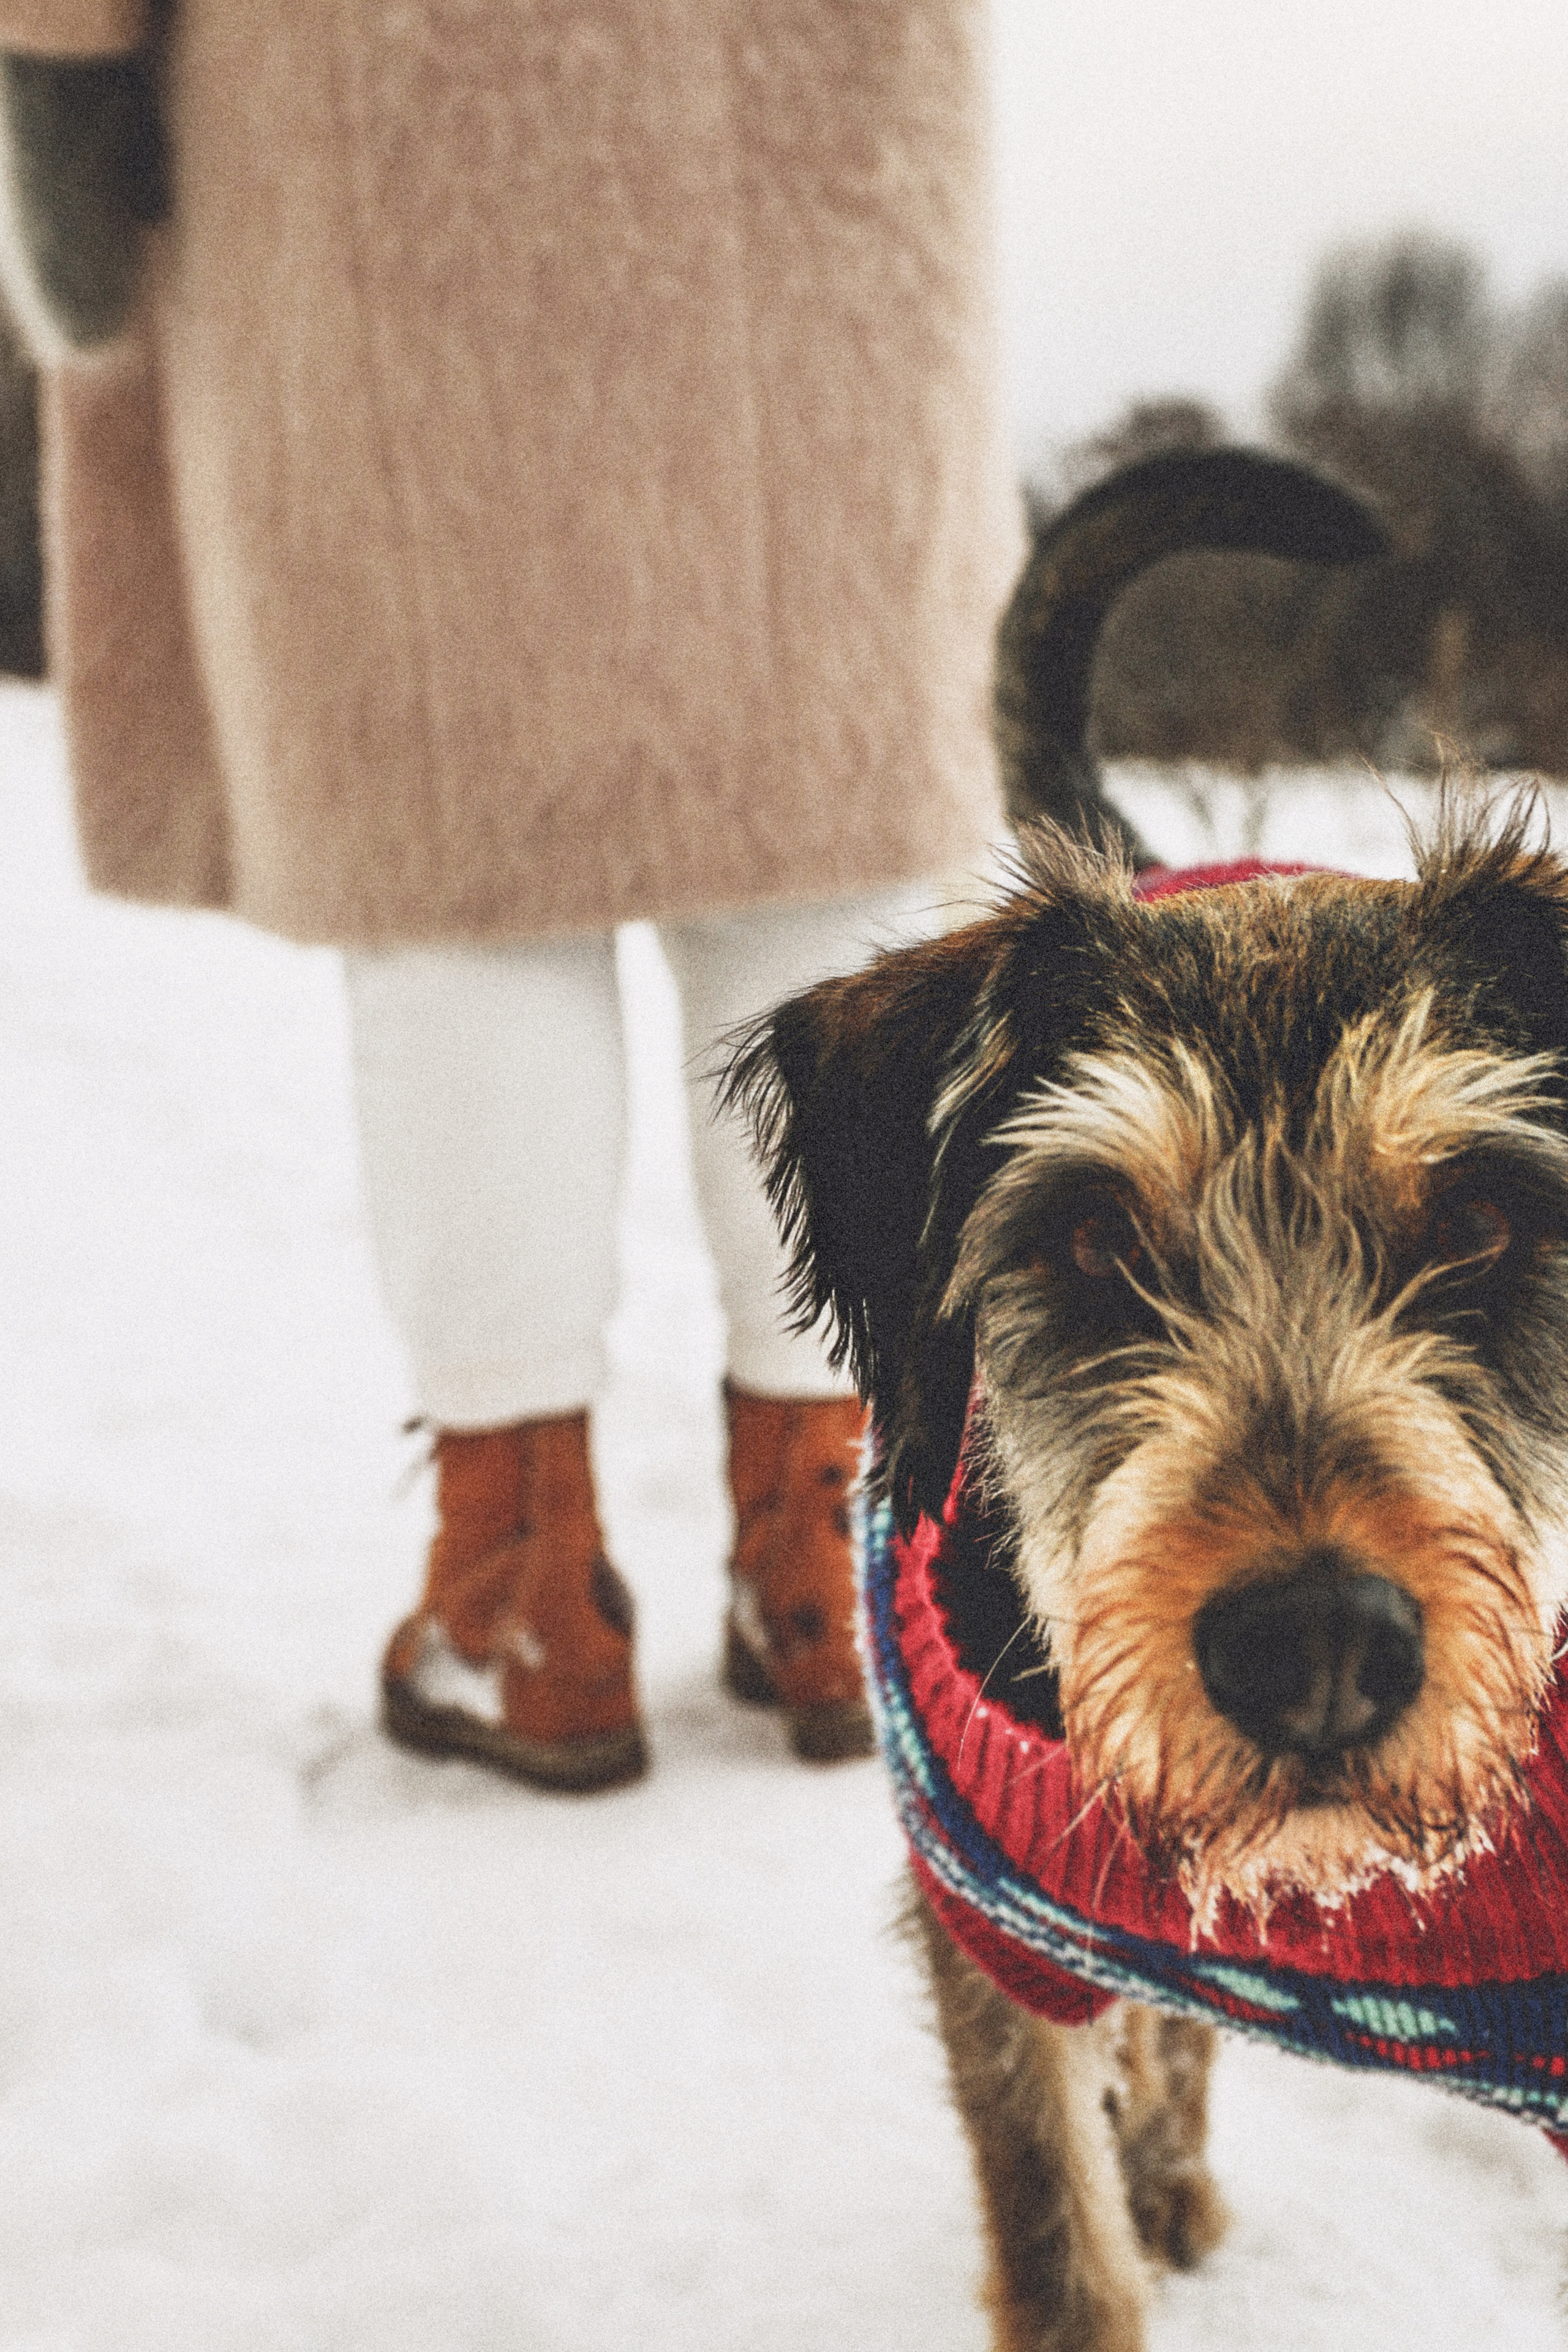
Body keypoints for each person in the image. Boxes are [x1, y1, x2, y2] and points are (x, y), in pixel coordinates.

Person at [0, 1, 1018, 1789]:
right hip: (831, 124)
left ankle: (525, 1593)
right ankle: (836, 1551)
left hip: (389, 129)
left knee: (465, 862)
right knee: (821, 827)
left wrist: (58, 81)